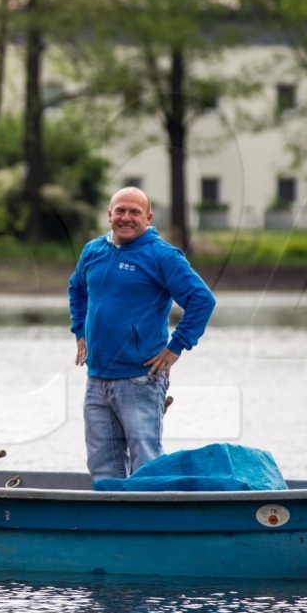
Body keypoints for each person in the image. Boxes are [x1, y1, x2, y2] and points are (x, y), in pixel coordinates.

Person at [68, 187, 216, 482]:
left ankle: (150, 523)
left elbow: (202, 300)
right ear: (109, 215)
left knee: (146, 463)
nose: (126, 217)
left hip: (140, 378)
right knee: (101, 464)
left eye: (134, 212)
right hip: (97, 378)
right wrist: (80, 331)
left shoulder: (162, 256)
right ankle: (111, 523)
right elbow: (77, 289)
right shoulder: (93, 251)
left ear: (148, 218)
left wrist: (175, 348)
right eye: (120, 211)